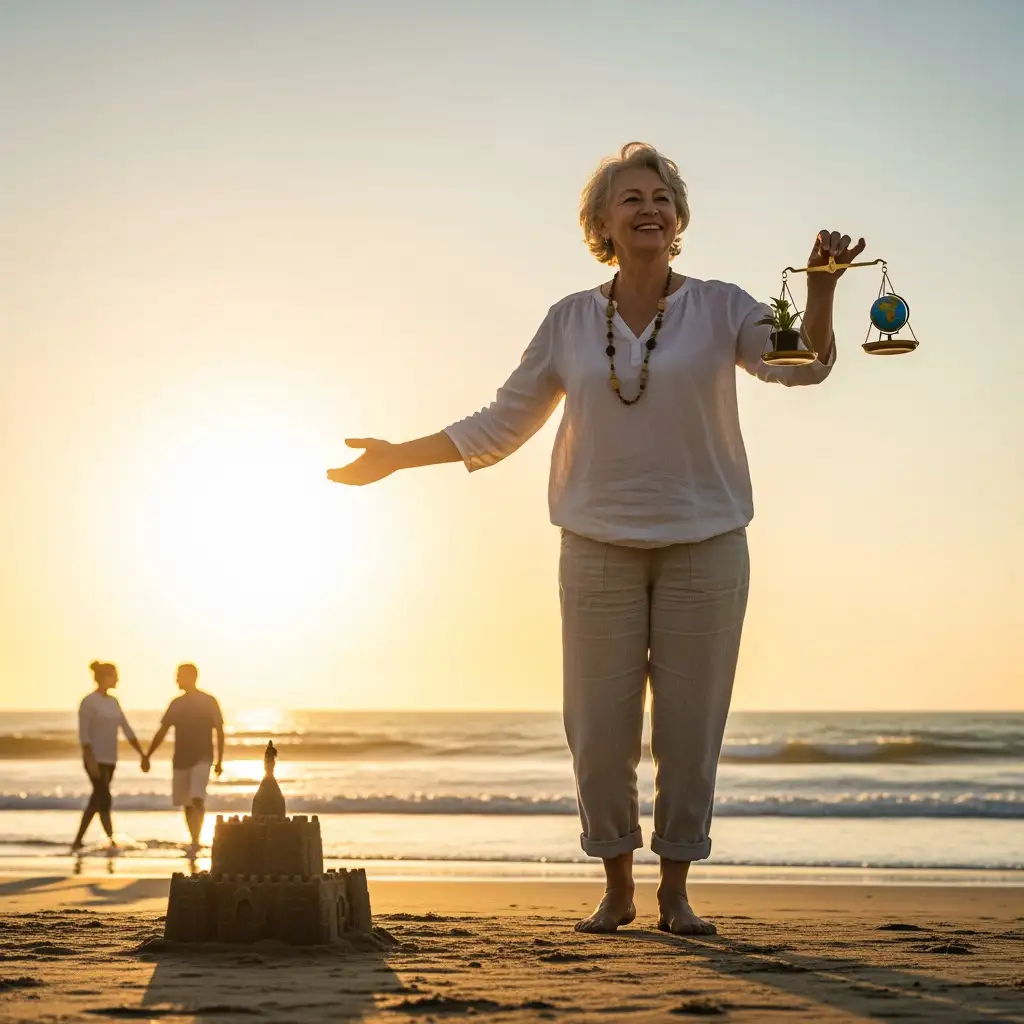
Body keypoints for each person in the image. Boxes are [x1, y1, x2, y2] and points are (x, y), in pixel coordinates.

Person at [327, 142, 863, 935]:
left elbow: (803, 364)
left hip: (707, 542)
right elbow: (501, 422)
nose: (650, 208)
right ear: (602, 224)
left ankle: (675, 893)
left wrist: (819, 290)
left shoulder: (724, 307)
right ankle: (616, 887)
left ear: (678, 220)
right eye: (632, 199)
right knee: (598, 730)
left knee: (690, 729)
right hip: (596, 545)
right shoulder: (570, 321)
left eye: (662, 198)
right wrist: (398, 459)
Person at [142, 663, 224, 856]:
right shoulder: (176, 704)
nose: (176, 680)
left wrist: (220, 760)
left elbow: (219, 730)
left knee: (197, 797)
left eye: (179, 676)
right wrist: (148, 755)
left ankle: (196, 838)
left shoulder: (208, 701)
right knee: (187, 802)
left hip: (203, 757)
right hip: (181, 759)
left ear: (191, 677)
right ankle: (193, 839)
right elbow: (162, 731)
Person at [72, 661, 145, 851]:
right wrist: (90, 760)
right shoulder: (88, 702)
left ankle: (78, 840)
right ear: (105, 677)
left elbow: (126, 728)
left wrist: (142, 753)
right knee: (104, 796)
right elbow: (84, 735)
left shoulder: (114, 702)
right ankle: (111, 839)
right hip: (94, 758)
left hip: (110, 758)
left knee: (97, 798)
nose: (117, 679)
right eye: (114, 675)